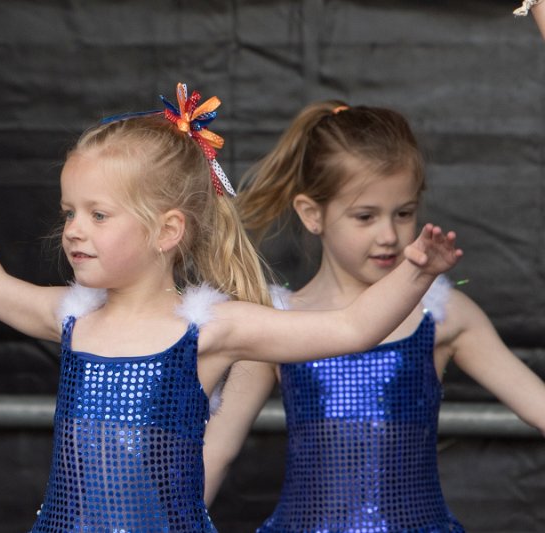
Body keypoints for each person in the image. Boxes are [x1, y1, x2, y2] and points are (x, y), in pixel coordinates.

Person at [0, 85, 461, 532]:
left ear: (166, 231)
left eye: (99, 215)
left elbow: (350, 328)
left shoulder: (209, 329)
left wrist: (414, 272)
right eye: (70, 212)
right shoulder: (73, 317)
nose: (74, 229)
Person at [203, 101, 545, 532]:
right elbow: (216, 452)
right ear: (312, 214)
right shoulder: (277, 323)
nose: (389, 235)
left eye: (403, 213)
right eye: (365, 217)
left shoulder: (441, 314)